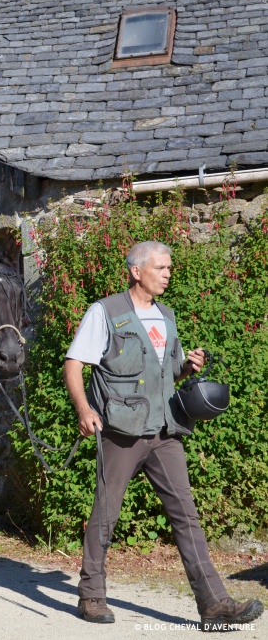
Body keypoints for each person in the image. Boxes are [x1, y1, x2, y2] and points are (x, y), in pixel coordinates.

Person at [64, 241, 264, 630]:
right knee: (106, 514)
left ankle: (214, 604)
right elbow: (74, 363)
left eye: (169, 268)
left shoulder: (167, 316)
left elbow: (165, 375)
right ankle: (90, 596)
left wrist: (187, 368)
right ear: (136, 271)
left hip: (165, 429)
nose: (168, 274)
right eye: (161, 268)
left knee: (186, 515)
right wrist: (84, 410)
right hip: (121, 430)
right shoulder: (104, 312)